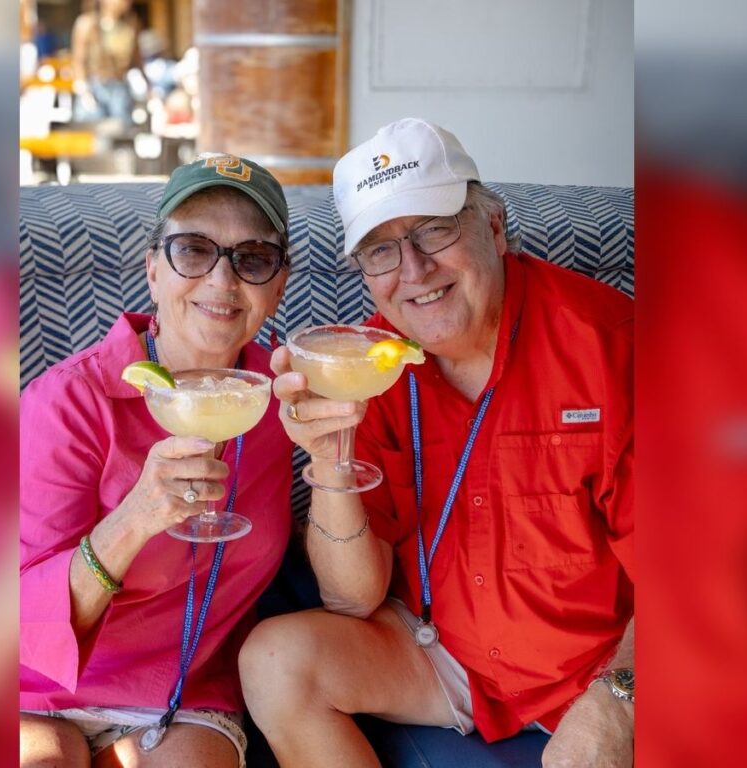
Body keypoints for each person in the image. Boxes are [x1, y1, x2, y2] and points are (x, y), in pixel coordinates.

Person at [239, 118, 635, 767]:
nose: (414, 269)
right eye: (381, 250)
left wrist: (618, 700)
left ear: (494, 226)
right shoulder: (366, 364)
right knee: (275, 662)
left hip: (596, 666)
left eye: (434, 229)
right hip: (438, 648)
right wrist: (331, 461)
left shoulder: (614, 349)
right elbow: (352, 600)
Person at [20, 154, 293, 767]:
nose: (222, 281)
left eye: (252, 259)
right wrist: (136, 516)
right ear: (152, 269)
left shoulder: (285, 399)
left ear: (278, 286)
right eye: (193, 250)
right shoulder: (68, 402)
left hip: (182, 693)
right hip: (33, 689)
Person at [70, 0, 145, 125]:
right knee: (92, 127)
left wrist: (146, 85)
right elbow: (78, 61)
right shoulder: (87, 24)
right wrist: (83, 89)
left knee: (121, 129)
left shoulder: (131, 25)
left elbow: (137, 59)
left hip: (120, 87)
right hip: (95, 85)